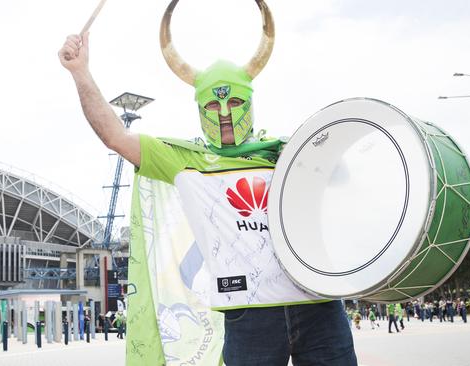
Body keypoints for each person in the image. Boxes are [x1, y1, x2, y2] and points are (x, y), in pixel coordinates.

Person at [58, 1, 357, 364]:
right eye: (214, 106)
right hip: (250, 315)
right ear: (199, 109)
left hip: (319, 306)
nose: (226, 113)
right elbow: (115, 136)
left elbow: (349, 189)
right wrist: (80, 72)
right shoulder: (186, 159)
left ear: (250, 101)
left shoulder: (287, 152)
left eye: (234, 101)